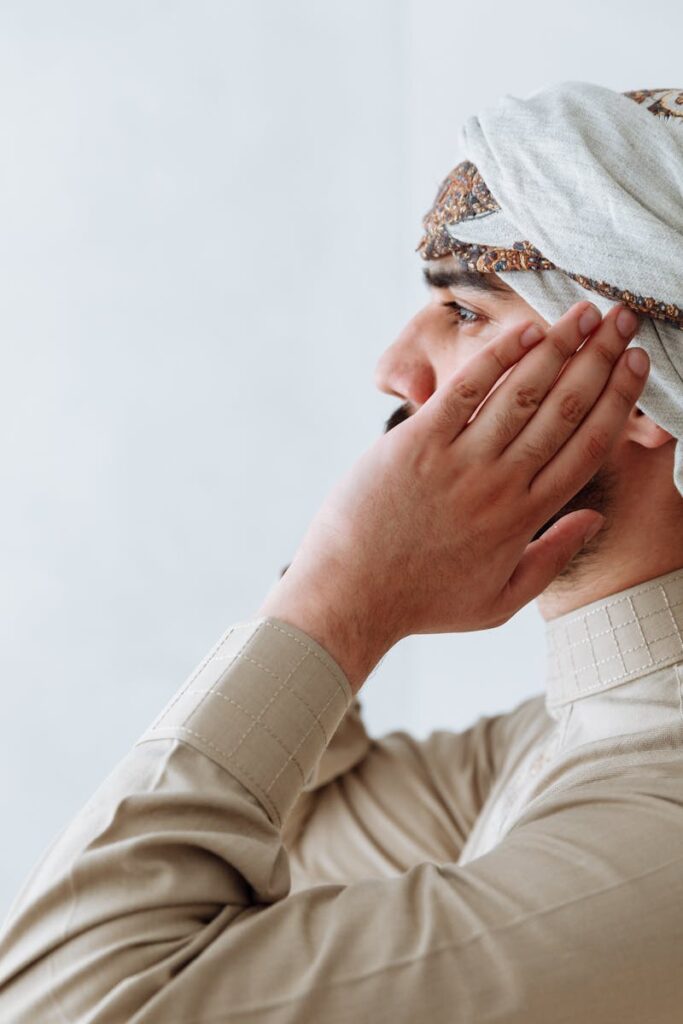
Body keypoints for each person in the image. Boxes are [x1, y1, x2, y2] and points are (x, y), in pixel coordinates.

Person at [1, 82, 683, 1024]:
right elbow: (302, 817)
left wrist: (342, 593)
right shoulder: (550, 743)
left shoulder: (654, 838)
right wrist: (349, 566)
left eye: (469, 312)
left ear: (643, 394)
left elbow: (68, 1004)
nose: (394, 364)